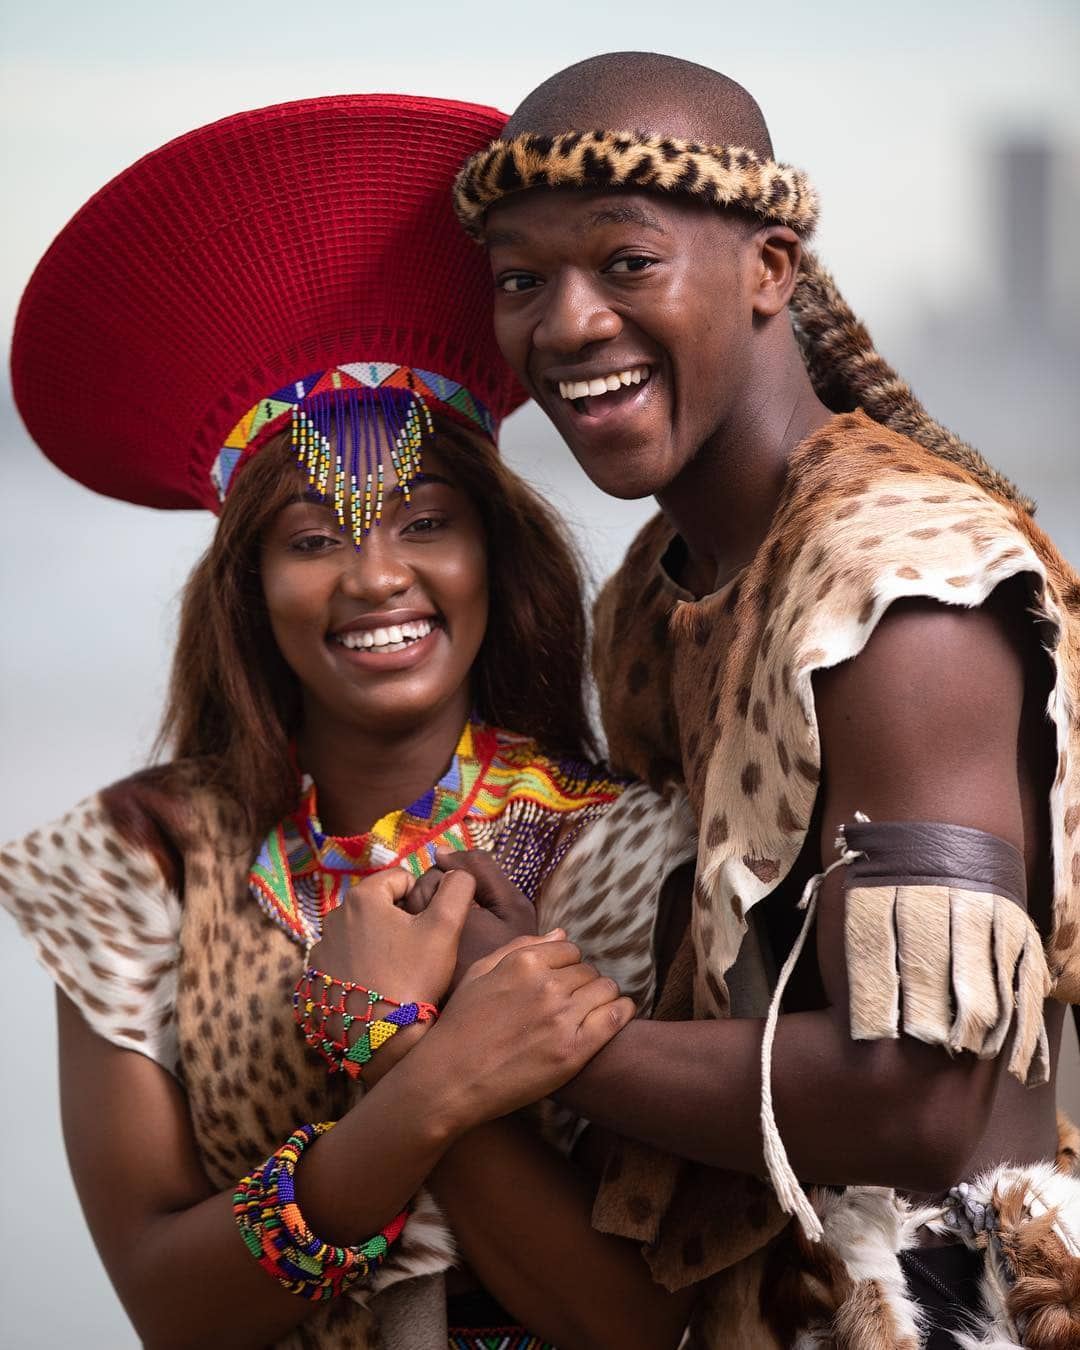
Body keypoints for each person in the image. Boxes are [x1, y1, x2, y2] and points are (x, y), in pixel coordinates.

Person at [0, 93, 699, 1350]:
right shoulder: (139, 859)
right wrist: (418, 1079)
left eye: (426, 521)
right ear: (249, 589)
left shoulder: (636, 853)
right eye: (313, 541)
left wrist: (389, 1051)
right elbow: (170, 1310)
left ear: (499, 550)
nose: (377, 578)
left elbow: (641, 1329)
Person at [447, 52, 1080, 1347]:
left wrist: (535, 1027)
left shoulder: (904, 596)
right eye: (523, 279)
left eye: (625, 262)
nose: (564, 323)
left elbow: (922, 1096)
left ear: (769, 272)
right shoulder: (651, 593)